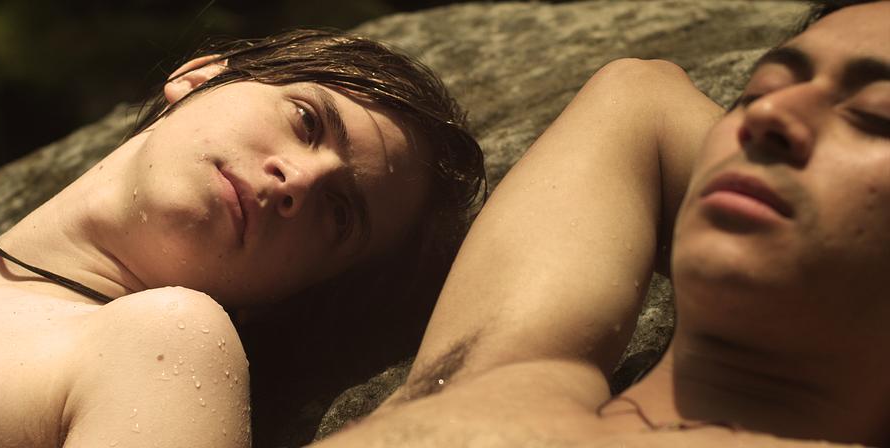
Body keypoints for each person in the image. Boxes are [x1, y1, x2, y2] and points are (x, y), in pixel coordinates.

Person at [0, 29, 485, 447]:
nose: (298, 181)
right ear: (200, 77)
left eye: (338, 216)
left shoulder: (159, 344)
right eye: (307, 121)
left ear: (292, 295)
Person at [313, 1, 889, 446]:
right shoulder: (492, 377)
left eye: (875, 116)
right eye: (758, 90)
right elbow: (639, 96)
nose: (765, 115)